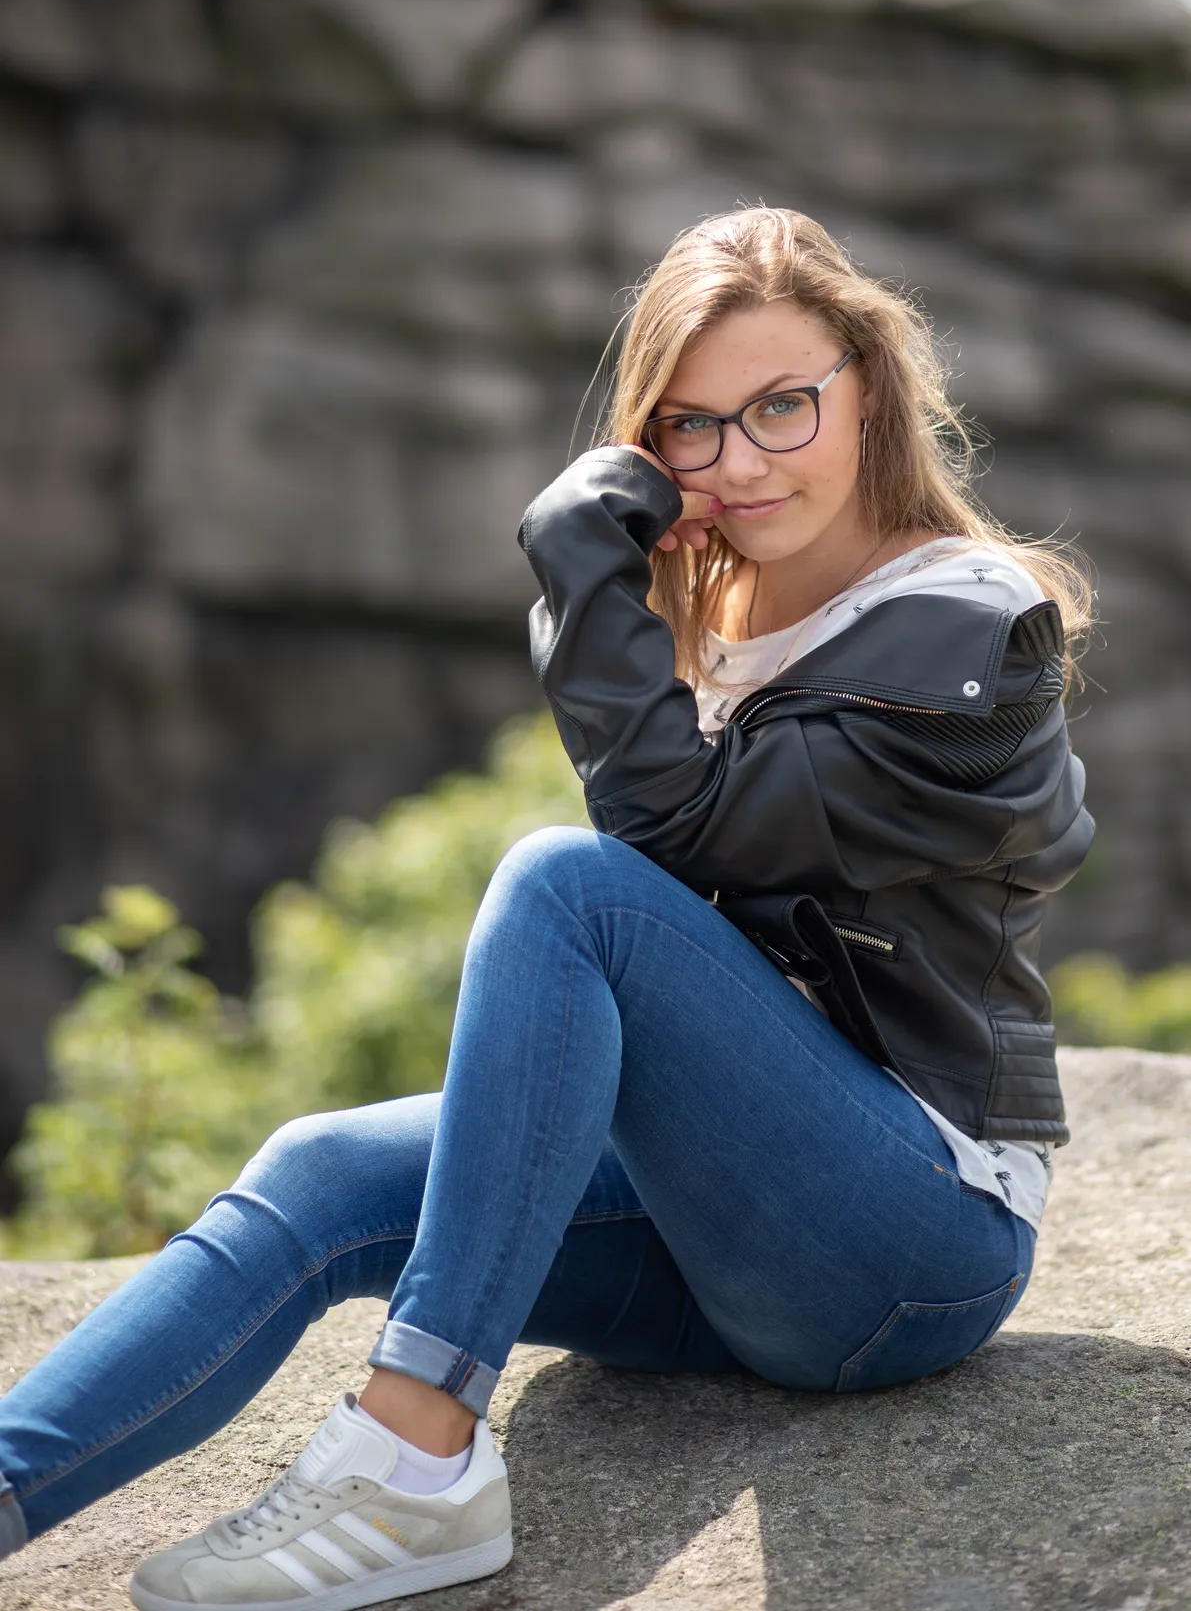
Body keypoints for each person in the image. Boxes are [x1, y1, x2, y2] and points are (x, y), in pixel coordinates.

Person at [0, 206, 1094, 1610]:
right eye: (691, 428)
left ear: (865, 392)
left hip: (909, 1238)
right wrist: (613, 584)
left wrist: (581, 557)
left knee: (563, 886)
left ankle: (412, 1457)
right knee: (322, 1169)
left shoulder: (962, 624)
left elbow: (663, 841)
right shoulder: (712, 627)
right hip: (724, 1228)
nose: (740, 461)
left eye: (781, 407)